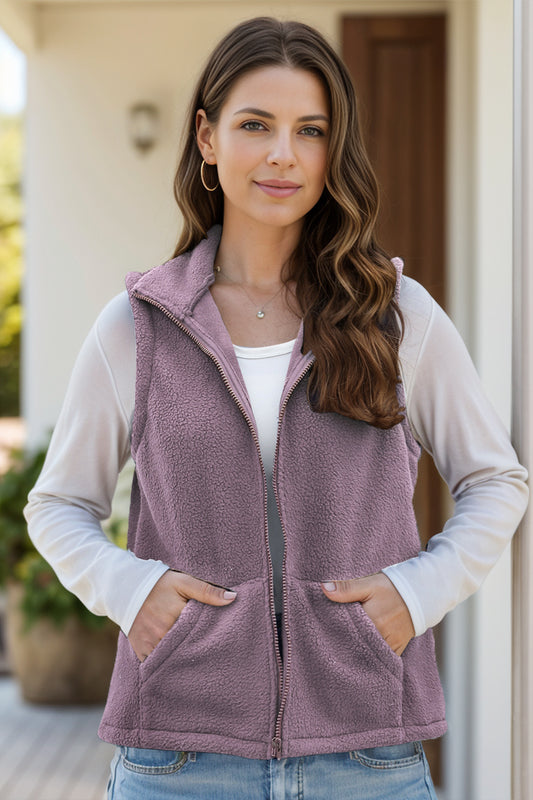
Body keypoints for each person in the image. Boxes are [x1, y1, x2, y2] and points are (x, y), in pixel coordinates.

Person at [24, 16, 528, 800]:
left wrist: (416, 594)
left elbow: (495, 480)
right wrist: (130, 591)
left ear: (333, 149)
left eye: (310, 130)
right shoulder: (138, 327)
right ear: (207, 137)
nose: (283, 154)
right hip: (178, 762)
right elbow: (58, 505)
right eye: (255, 125)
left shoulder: (395, 315)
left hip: (366, 758)